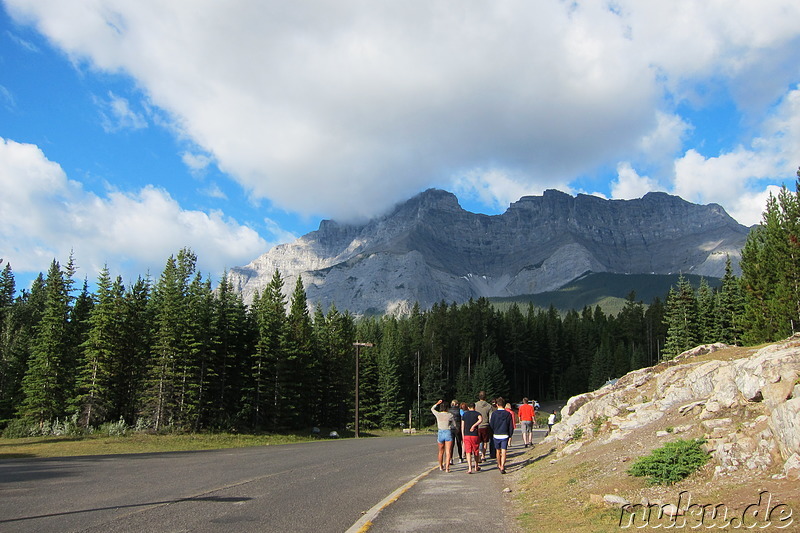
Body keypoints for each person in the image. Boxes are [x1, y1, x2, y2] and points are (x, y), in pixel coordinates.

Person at [488, 396, 514, 474]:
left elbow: (491, 425)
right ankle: (503, 465)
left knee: (497, 451)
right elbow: (511, 426)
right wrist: (510, 434)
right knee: (504, 451)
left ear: (497, 404)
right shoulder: (508, 414)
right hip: (505, 434)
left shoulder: (494, 414)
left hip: (496, 434)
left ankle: (499, 464)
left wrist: (492, 433)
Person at [431, 400, 455, 472]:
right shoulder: (450, 415)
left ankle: (441, 466)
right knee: (448, 451)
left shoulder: (438, 414)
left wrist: (437, 403)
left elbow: (432, 409)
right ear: (447, 408)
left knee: (441, 451)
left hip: (440, 432)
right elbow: (454, 425)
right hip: (447, 431)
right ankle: (447, 467)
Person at [461, 402, 483, 474]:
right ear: (474, 407)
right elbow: (480, 419)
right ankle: (476, 466)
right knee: (475, 451)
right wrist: (474, 425)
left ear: (468, 407)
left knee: (468, 452)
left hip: (467, 435)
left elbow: (462, 426)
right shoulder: (477, 414)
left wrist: (463, 434)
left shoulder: (465, 414)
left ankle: (470, 468)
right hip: (474, 435)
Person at [474, 391, 493, 463]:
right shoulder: (489, 406)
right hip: (485, 425)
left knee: (478, 442)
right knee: (485, 441)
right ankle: (483, 456)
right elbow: (491, 417)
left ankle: (478, 454)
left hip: (477, 425)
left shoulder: (476, 405)